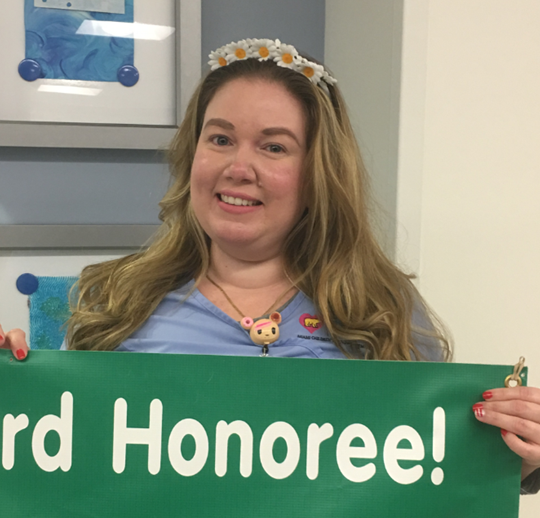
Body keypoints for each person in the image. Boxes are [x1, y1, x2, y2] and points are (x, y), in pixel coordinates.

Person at [0, 38, 538, 492]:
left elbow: (431, 474)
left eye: (274, 147)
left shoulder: (383, 308)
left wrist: (520, 456)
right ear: (193, 156)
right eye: (220, 139)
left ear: (317, 173)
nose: (239, 167)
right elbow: (64, 473)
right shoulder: (114, 300)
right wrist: (15, 402)